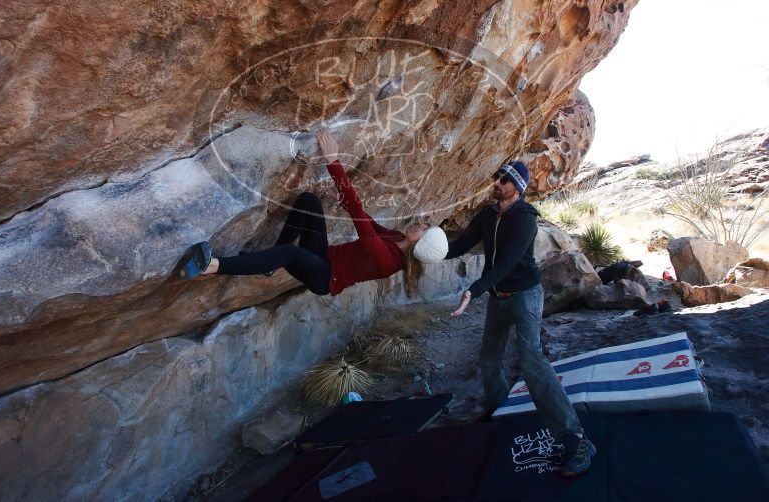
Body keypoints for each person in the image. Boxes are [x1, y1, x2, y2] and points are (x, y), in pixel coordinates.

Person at [446, 160, 596, 477]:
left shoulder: (526, 220)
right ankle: (504, 412)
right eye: (497, 177)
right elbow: (459, 244)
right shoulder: (487, 215)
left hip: (525, 295)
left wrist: (473, 291)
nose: (496, 182)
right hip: (498, 299)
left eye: (503, 179)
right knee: (489, 359)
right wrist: (423, 245)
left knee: (531, 361)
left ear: (517, 186)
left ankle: (576, 439)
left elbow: (507, 265)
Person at [178, 129, 449, 298]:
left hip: (324, 277)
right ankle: (269, 263)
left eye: (426, 228)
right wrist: (341, 199)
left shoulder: (386, 259)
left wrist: (334, 161)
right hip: (324, 256)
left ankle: (211, 266)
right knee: (308, 201)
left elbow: (359, 217)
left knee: (291, 255)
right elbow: (368, 220)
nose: (422, 224)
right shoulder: (397, 239)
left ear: (419, 241)